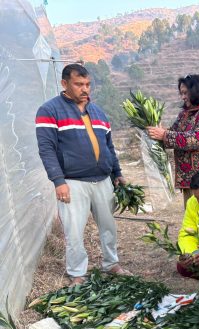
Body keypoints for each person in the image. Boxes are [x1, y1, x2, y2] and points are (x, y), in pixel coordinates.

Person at [36, 63, 131, 285]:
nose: (85, 89)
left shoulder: (98, 112)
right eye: (79, 84)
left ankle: (111, 263)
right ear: (64, 84)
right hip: (72, 181)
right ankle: (77, 272)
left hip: (103, 180)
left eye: (88, 84)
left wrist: (117, 173)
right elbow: (46, 149)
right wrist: (59, 182)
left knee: (108, 225)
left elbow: (109, 146)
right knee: (74, 230)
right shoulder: (49, 111)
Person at [146, 74, 199, 206]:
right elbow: (173, 133)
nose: (183, 97)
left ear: (197, 90)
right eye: (181, 93)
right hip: (190, 180)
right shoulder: (185, 115)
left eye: (185, 93)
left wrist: (165, 135)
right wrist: (155, 133)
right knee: (194, 217)